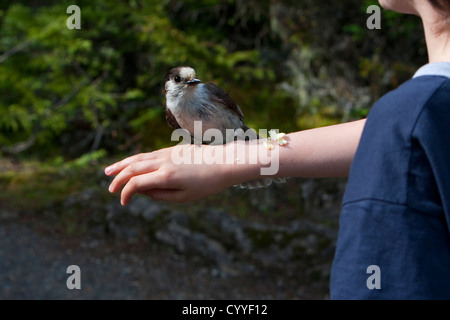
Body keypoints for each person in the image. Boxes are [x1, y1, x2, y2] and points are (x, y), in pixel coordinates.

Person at [105, 0, 450, 299]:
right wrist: (230, 161)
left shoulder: (413, 110)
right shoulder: (418, 111)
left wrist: (231, 157)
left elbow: (396, 132)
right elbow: (391, 134)